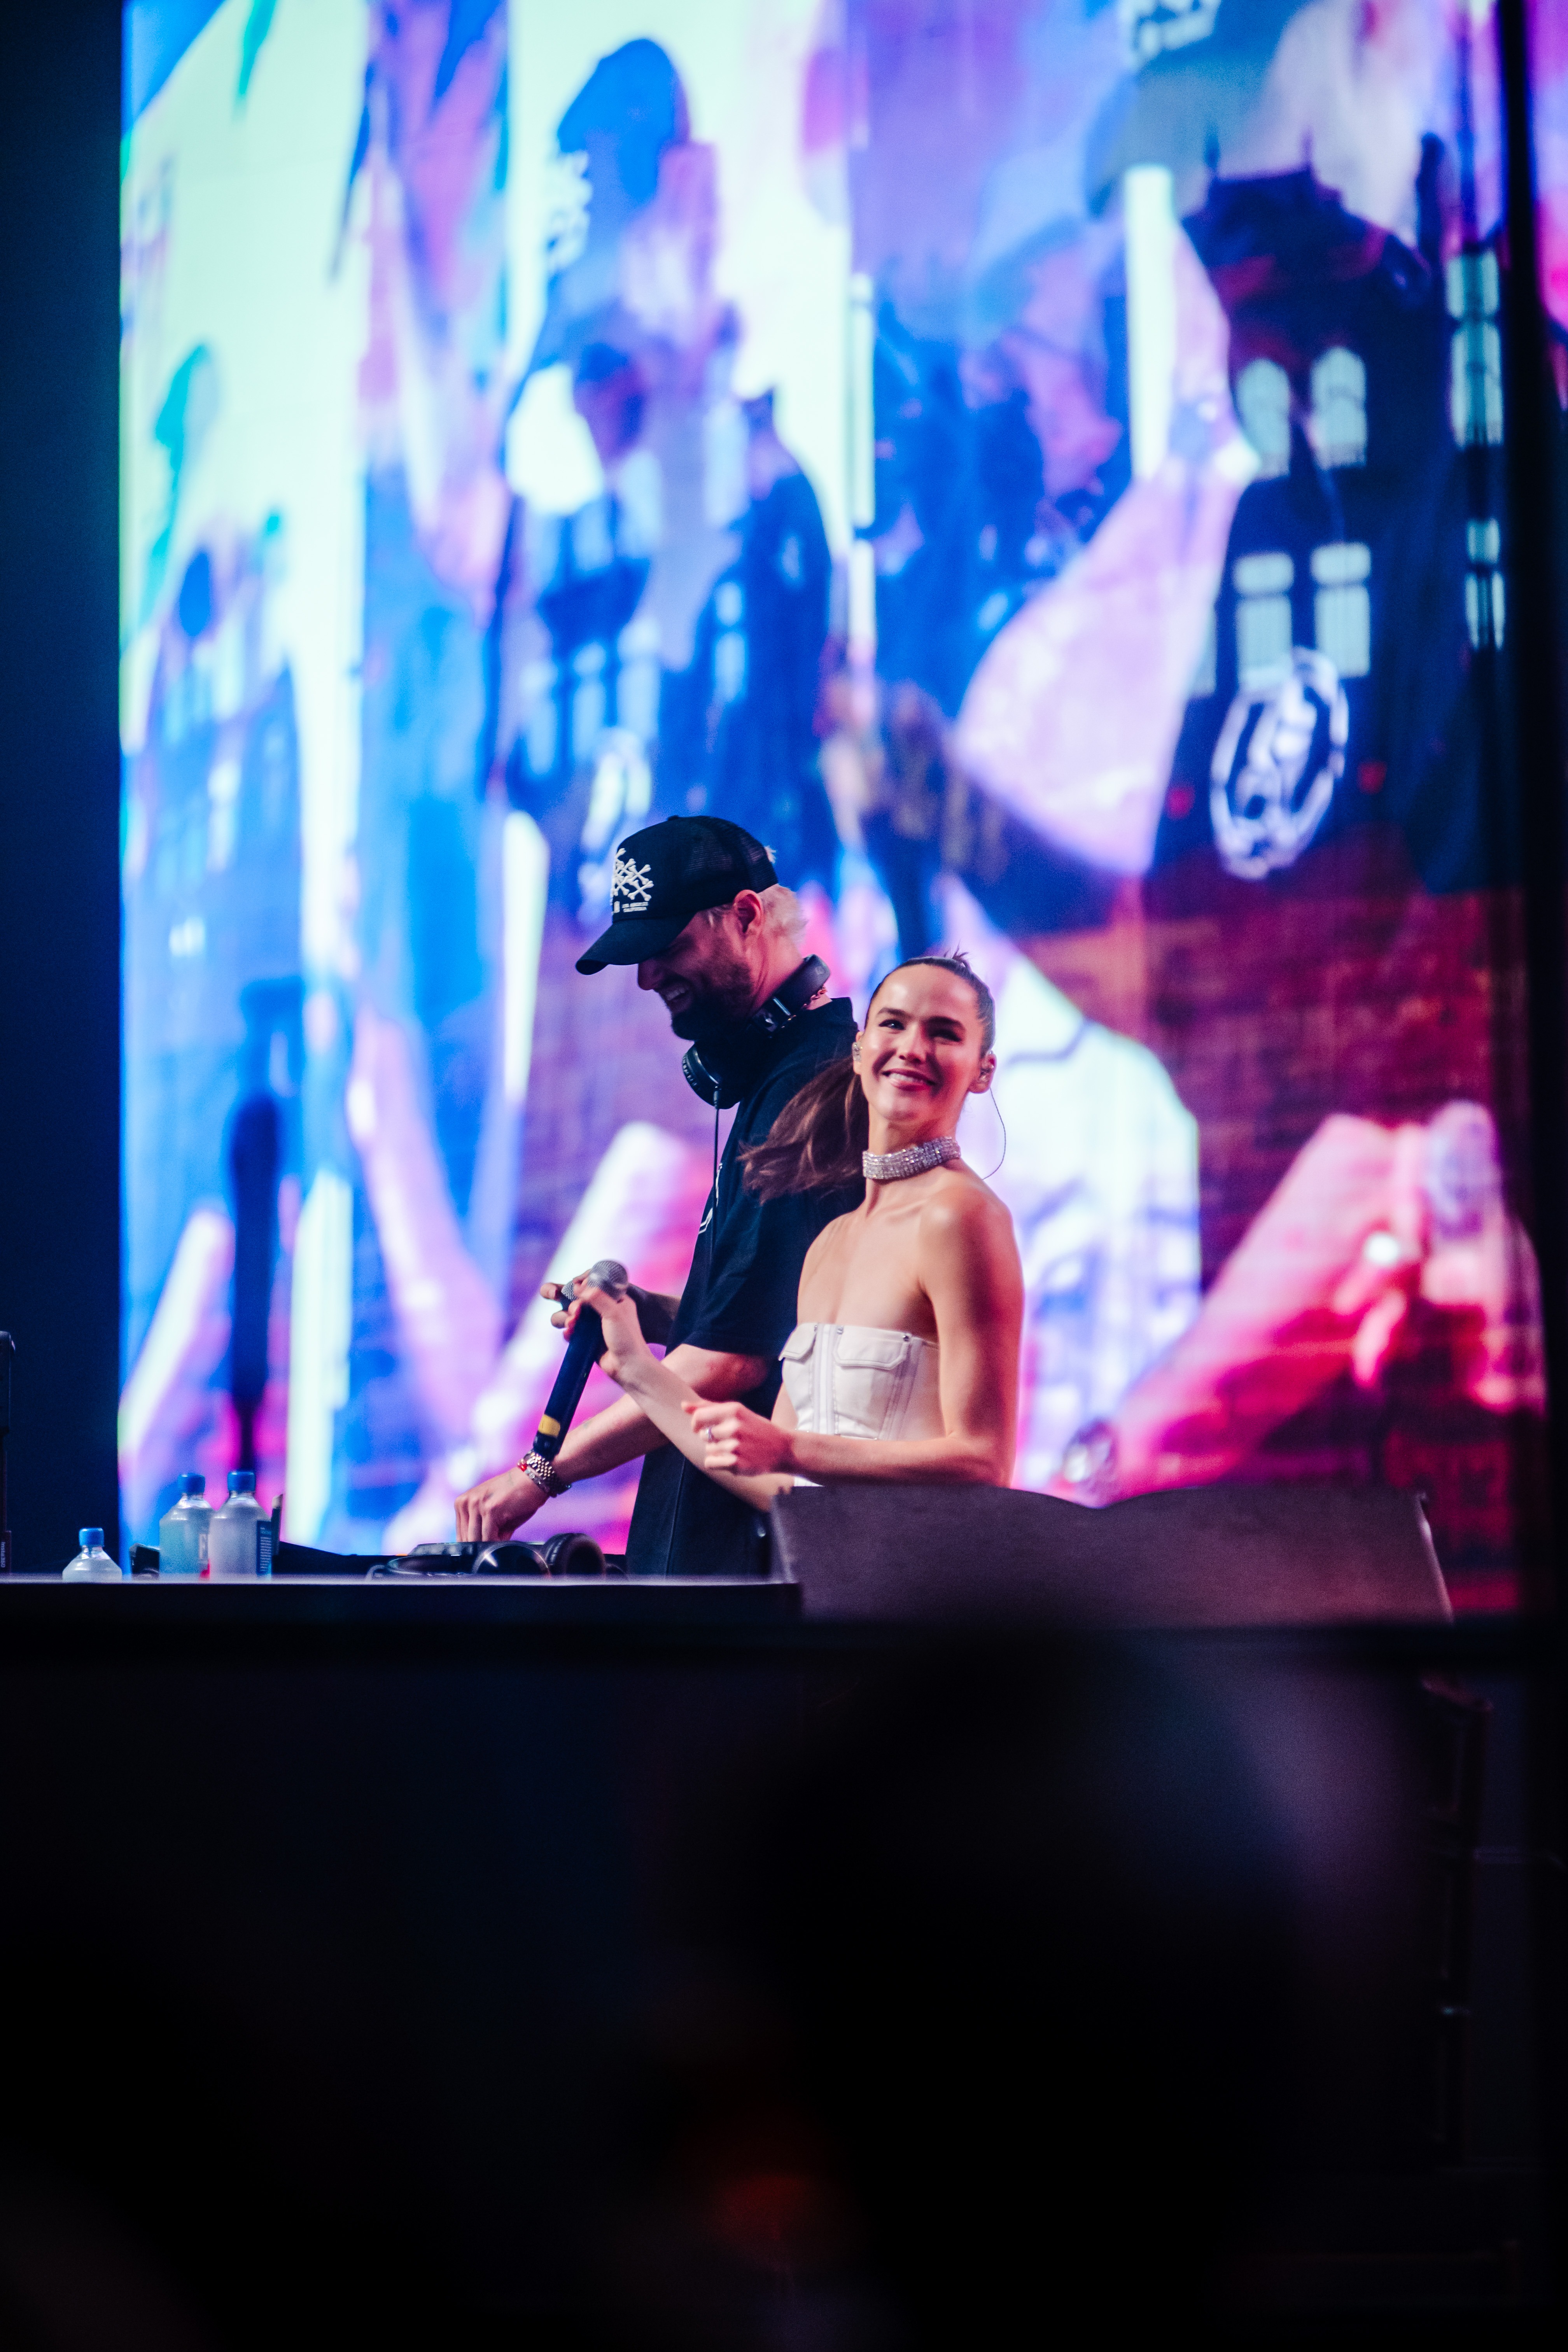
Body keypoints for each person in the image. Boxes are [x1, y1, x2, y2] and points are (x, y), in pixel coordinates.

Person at [455, 814, 859, 1573]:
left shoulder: (812, 1090)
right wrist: (659, 1314)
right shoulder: (776, 1083)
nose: (646, 977)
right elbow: (770, 1320)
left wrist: (539, 1474)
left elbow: (733, 1364)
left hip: (751, 1570)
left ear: (747, 915)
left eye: (667, 947)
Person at [569, 954, 1023, 1507]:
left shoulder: (961, 1215)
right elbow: (781, 1493)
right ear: (859, 1049)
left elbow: (985, 1460)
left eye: (945, 1033)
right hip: (814, 1564)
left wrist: (789, 1448)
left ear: (983, 1071)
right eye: (894, 1023)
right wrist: (637, 1369)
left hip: (917, 1567)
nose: (913, 1048)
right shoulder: (830, 1243)